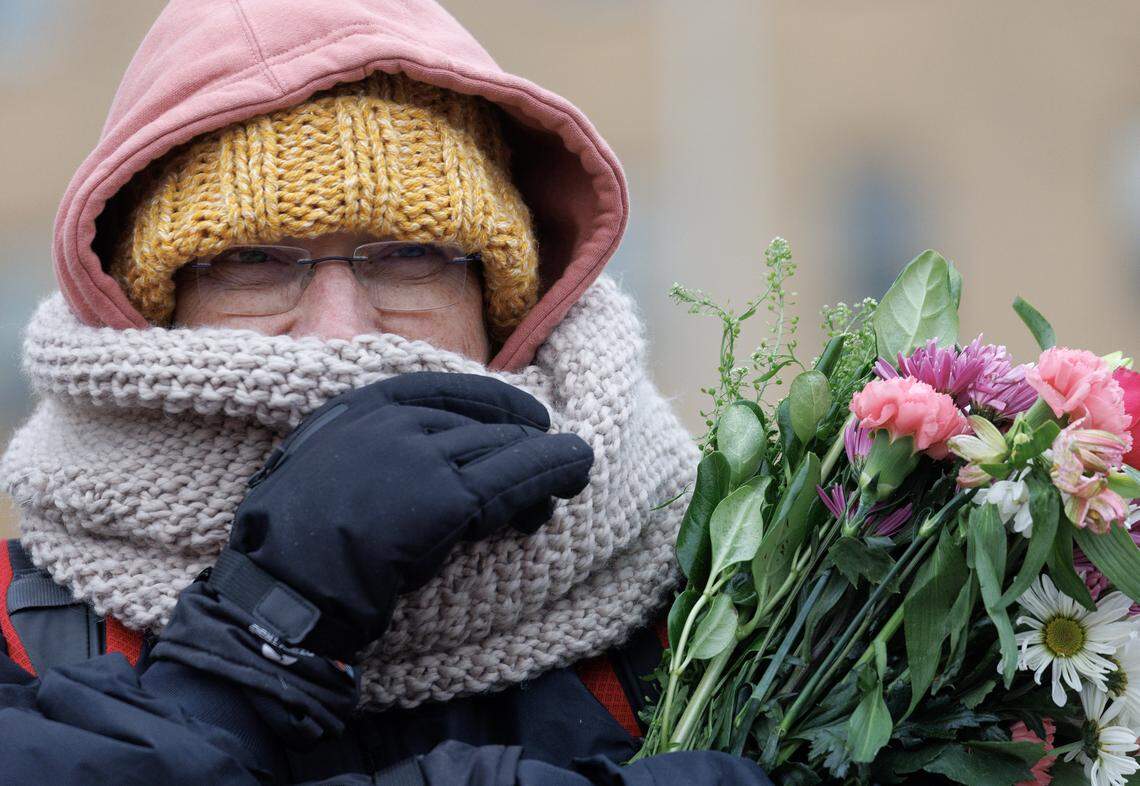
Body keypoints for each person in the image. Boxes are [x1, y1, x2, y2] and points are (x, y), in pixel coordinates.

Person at [0, 1, 773, 784]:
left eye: (409, 254)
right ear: (152, 311)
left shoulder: (712, 586)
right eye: (254, 262)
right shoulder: (19, 625)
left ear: (501, 302)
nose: (341, 334)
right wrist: (263, 617)